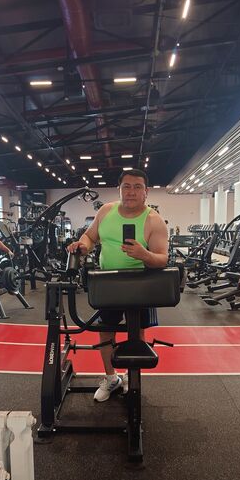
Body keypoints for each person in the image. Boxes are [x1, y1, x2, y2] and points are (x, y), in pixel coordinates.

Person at [67, 168, 168, 402]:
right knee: (105, 330)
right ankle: (111, 378)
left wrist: (144, 255)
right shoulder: (106, 211)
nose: (131, 192)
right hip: (109, 282)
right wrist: (83, 246)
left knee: (137, 331)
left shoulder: (154, 220)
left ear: (146, 192)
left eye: (137, 187)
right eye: (127, 187)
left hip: (141, 284)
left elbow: (162, 259)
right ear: (119, 189)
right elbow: (90, 236)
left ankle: (132, 378)